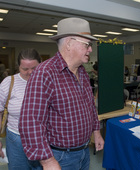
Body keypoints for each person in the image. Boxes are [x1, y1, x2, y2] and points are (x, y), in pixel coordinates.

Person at [19, 17, 104, 170]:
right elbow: (30, 122)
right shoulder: (45, 73)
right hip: (59, 157)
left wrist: (96, 132)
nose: (90, 49)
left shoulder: (82, 71)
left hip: (84, 152)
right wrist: (48, 161)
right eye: (87, 44)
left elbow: (90, 105)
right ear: (69, 44)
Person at [0, 48, 41, 169]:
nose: (30, 72)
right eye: (25, 69)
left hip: (42, 139)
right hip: (16, 139)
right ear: (18, 67)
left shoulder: (47, 81)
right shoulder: (9, 82)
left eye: (34, 68)